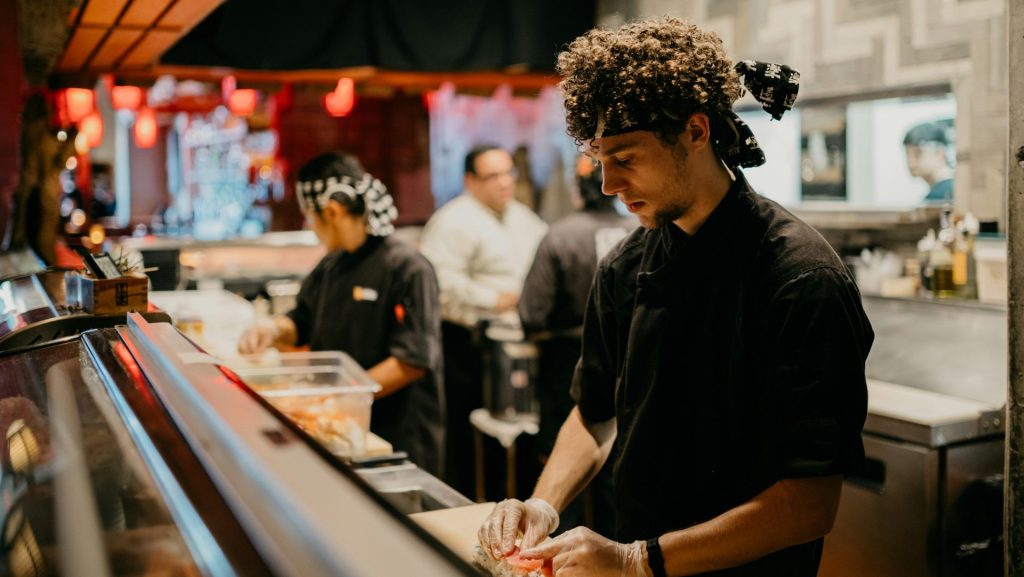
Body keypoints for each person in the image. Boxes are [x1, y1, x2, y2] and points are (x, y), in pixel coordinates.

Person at [477, 17, 873, 577]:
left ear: (695, 131)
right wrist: (544, 505)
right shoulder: (625, 265)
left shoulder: (799, 279)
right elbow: (594, 413)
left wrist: (638, 559)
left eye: (626, 158)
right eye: (599, 159)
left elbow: (808, 504)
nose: (609, 186)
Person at [238, 152, 444, 475]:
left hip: (397, 443)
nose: (310, 226)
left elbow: (412, 362)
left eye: (309, 216)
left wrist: (337, 397)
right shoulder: (331, 264)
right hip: (341, 432)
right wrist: (273, 329)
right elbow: (301, 321)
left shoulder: (408, 268)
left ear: (331, 212)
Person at [419, 144, 548, 496]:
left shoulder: (523, 217)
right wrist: (494, 299)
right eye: (493, 176)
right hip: (467, 344)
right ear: (470, 180)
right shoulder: (452, 221)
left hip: (518, 342)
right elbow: (437, 283)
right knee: (470, 440)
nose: (504, 182)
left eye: (509, 173)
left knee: (522, 436)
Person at [517, 156, 634, 536]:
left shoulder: (561, 235)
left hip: (568, 363)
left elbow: (532, 312)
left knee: (561, 475)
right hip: (632, 365)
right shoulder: (640, 231)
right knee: (619, 478)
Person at [903, 119, 955, 204]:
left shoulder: (942, 195)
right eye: (908, 155)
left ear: (940, 154)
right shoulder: (952, 190)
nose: (910, 162)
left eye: (917, 154)